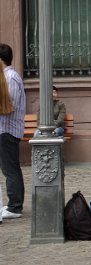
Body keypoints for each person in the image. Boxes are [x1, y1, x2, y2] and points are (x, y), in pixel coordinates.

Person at [0, 43, 26, 220]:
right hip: (5, 130)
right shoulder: (7, 77)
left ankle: (15, 206)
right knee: (8, 168)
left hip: (7, 130)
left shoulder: (10, 78)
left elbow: (11, 106)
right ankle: (14, 204)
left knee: (10, 169)